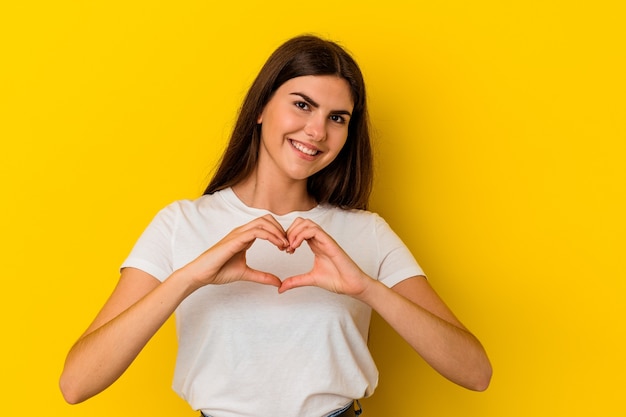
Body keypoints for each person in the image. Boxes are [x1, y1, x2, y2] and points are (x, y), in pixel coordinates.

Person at [60, 35, 492, 417]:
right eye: (302, 105)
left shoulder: (368, 232)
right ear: (262, 107)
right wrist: (191, 276)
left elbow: (475, 372)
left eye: (337, 117)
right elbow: (76, 384)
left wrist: (365, 287)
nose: (317, 131)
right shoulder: (180, 223)